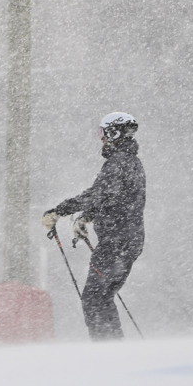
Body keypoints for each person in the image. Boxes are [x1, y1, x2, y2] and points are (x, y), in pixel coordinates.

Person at [42, 112, 146, 340]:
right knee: (103, 297)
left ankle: (106, 350)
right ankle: (113, 347)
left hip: (115, 243)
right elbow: (114, 199)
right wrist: (87, 217)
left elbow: (98, 194)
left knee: (93, 298)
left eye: (103, 133)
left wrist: (59, 211)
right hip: (129, 242)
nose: (101, 139)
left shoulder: (118, 163)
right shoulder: (132, 162)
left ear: (114, 133)